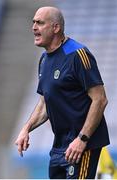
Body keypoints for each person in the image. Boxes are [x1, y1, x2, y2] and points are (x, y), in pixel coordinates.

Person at [15, 6, 110, 179]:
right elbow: (45, 102)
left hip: (83, 145)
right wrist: (26, 129)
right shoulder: (44, 60)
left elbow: (100, 99)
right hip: (60, 146)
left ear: (56, 27)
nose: (34, 27)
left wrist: (82, 139)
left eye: (40, 23)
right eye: (33, 22)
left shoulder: (77, 54)